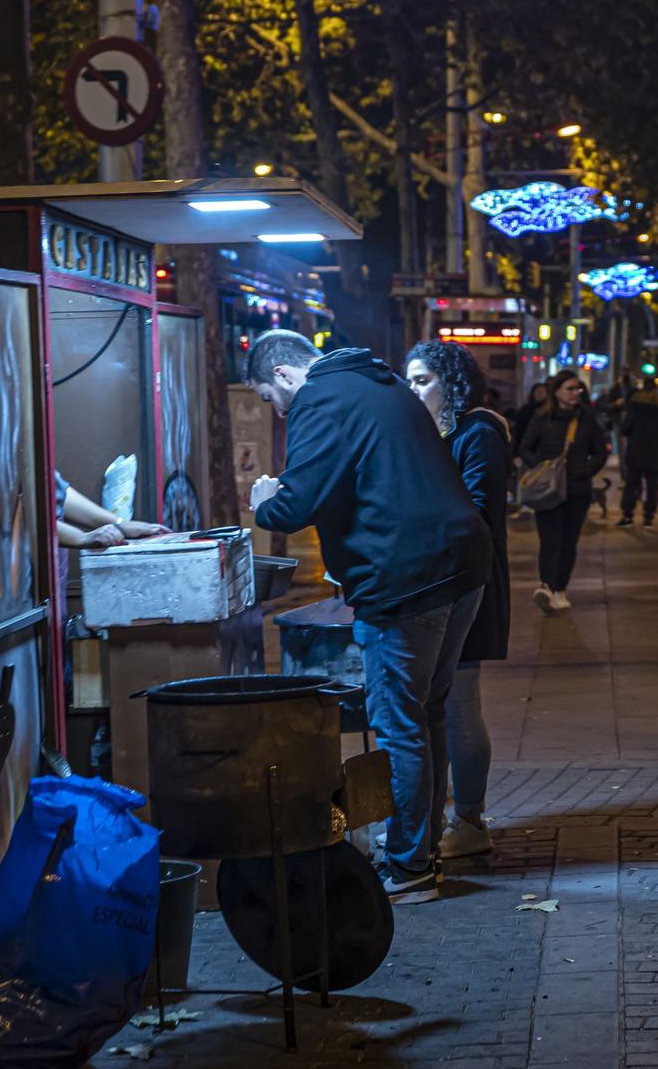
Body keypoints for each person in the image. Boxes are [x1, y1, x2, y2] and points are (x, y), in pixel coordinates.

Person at [245, 330, 491, 903]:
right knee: (427, 711)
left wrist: (264, 499)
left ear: (283, 376)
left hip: (405, 576)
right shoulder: (376, 382)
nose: (275, 411)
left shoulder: (319, 400)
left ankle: (408, 869)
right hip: (461, 563)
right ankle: (420, 849)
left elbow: (295, 503)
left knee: (400, 721)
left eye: (266, 398)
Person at [404, 340, 511, 860]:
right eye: (409, 380)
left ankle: (468, 818)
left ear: (452, 382)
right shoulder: (426, 434)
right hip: (432, 586)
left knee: (460, 705)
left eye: (423, 379)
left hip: (469, 585)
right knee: (437, 705)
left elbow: (478, 511)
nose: (413, 389)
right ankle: (434, 817)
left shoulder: (479, 431)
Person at [517, 370, 611, 614]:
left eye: (577, 389)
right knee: (549, 540)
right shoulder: (541, 418)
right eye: (570, 388)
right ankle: (546, 586)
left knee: (569, 541)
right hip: (547, 491)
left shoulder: (586, 419)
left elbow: (601, 451)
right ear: (556, 391)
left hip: (576, 490)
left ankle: (560, 588)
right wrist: (542, 466)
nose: (575, 393)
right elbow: (524, 447)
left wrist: (585, 470)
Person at [616, 377, 658, 527]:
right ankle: (649, 517)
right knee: (653, 486)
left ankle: (627, 515)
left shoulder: (635, 404)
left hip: (636, 449)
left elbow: (625, 427)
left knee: (631, 484)